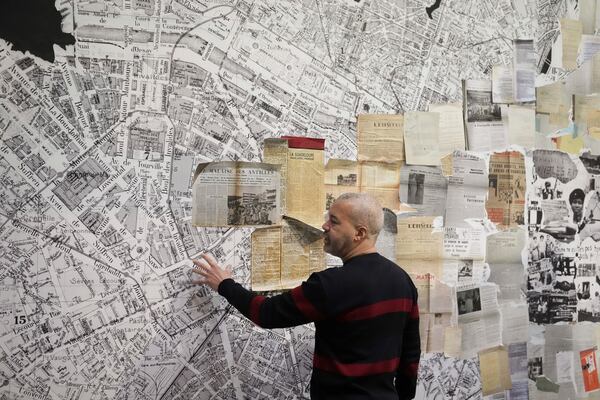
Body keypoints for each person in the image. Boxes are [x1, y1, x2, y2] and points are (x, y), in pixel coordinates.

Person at [191, 193, 420, 399]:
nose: (324, 226)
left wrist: (224, 284)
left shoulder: (331, 285)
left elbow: (267, 313)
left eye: (334, 221)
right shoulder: (403, 281)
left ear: (359, 233)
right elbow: (410, 357)